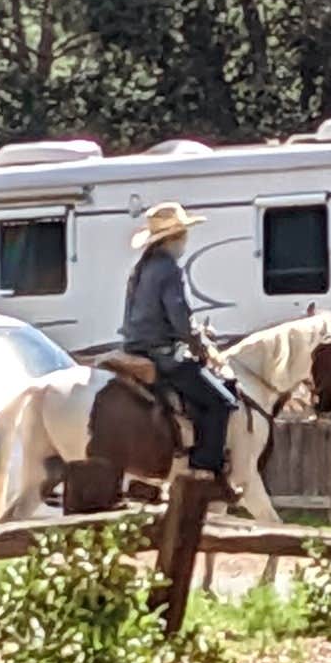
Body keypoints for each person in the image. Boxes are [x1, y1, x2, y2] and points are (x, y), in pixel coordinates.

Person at [119, 201, 237, 482]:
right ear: (174, 239)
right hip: (162, 354)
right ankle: (204, 470)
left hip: (135, 347)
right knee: (222, 401)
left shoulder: (141, 268)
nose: (185, 241)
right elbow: (180, 319)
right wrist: (201, 347)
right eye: (183, 235)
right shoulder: (169, 270)